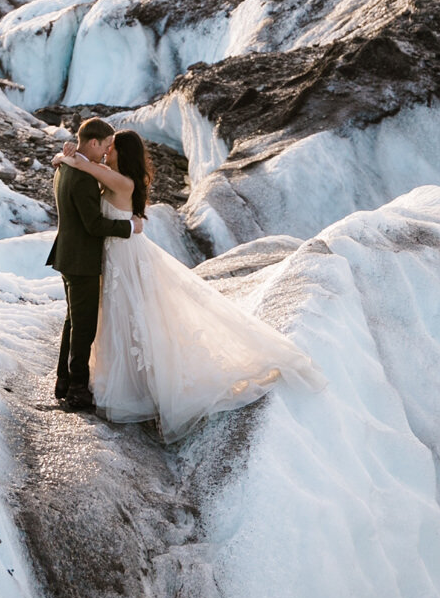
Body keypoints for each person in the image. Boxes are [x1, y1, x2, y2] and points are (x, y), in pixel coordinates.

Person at [57, 126, 326, 439]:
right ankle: (116, 378)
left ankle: (136, 384)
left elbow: (85, 166)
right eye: (106, 146)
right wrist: (65, 153)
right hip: (116, 255)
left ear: (121, 153)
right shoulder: (112, 173)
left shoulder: (120, 181)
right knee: (121, 316)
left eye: (112, 147)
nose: (107, 151)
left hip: (125, 255)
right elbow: (87, 165)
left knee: (130, 315)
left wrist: (69, 157)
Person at [48, 116, 137, 412]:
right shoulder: (82, 175)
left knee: (72, 322)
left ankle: (64, 381)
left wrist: (64, 153)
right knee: (83, 329)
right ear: (95, 142)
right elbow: (94, 225)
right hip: (82, 261)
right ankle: (76, 391)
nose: (106, 153)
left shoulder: (65, 166)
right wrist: (128, 228)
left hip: (67, 255)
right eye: (105, 146)